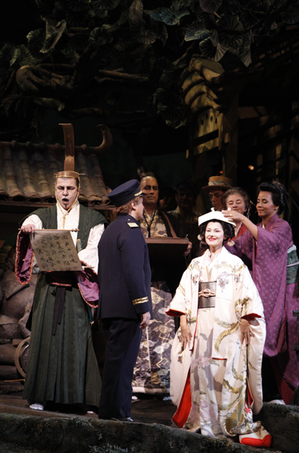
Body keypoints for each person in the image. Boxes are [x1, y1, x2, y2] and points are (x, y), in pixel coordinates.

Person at [166, 209, 271, 446]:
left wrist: (245, 319)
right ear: (202, 235)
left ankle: (228, 422)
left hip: (228, 328)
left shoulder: (235, 264)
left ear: (226, 235)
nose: (212, 234)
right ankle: (203, 422)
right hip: (199, 327)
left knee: (227, 374)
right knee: (201, 374)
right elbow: (182, 295)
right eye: (208, 231)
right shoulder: (195, 264)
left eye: (217, 230)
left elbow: (248, 294)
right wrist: (182, 322)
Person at [15, 170, 107, 412]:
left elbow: (94, 249)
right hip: (49, 289)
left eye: (70, 188)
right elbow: (33, 221)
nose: (65, 193)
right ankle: (40, 395)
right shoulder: (45, 214)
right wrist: (29, 226)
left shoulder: (92, 218)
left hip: (76, 289)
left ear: (78, 190)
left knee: (79, 341)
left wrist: (70, 258)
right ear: (54, 190)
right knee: (45, 340)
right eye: (60, 188)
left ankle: (82, 398)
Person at [223, 181, 299, 404]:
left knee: (285, 338)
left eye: (265, 201)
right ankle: (262, 394)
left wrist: (243, 219)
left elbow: (271, 245)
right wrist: (217, 238)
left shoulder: (282, 226)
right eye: (258, 201)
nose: (260, 205)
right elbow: (237, 247)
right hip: (265, 292)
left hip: (287, 293)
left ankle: (285, 393)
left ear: (276, 206)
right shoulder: (258, 228)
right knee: (258, 337)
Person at [97, 179, 152, 421]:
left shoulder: (110, 230)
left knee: (114, 363)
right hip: (126, 309)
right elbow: (133, 272)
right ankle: (118, 415)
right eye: (140, 203)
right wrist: (143, 307)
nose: (142, 208)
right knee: (122, 365)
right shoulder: (131, 231)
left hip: (110, 308)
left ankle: (110, 412)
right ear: (132, 204)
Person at [132, 173, 186, 396]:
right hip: (138, 285)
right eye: (146, 188)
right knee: (138, 335)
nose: (151, 192)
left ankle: (162, 385)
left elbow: (179, 241)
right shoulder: (132, 216)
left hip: (162, 285)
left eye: (154, 188)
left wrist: (184, 248)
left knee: (163, 336)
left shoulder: (169, 219)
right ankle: (135, 383)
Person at [168, 180, 201, 259]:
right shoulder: (168, 217)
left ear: (194, 198)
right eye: (181, 194)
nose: (184, 198)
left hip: (195, 258)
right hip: (173, 258)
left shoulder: (200, 218)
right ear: (176, 197)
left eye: (188, 195)